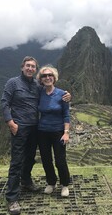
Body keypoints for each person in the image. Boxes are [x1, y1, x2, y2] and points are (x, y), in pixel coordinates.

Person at [1, 56, 71, 214]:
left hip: (35, 129)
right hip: (19, 128)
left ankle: (26, 181)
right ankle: (12, 198)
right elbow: (4, 102)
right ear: (22, 67)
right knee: (17, 161)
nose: (30, 68)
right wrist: (10, 122)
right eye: (28, 66)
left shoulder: (37, 85)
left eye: (33, 66)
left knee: (30, 158)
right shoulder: (13, 83)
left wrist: (68, 96)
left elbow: (53, 92)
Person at [36, 65, 71, 197]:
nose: (47, 77)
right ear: (41, 79)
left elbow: (66, 114)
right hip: (42, 131)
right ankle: (51, 182)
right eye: (44, 76)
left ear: (54, 78)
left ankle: (65, 184)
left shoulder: (62, 94)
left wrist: (66, 132)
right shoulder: (39, 93)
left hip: (58, 131)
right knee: (46, 159)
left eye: (50, 75)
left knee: (60, 160)